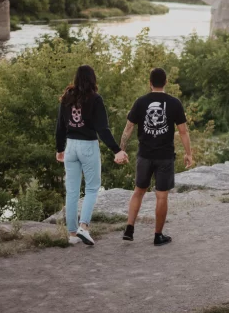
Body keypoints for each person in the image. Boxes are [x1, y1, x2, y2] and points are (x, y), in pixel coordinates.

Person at [117, 67, 193, 244]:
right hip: (165, 156)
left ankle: (129, 228)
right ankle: (158, 235)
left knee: (138, 191)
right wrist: (188, 153)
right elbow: (183, 131)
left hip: (144, 155)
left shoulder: (140, 102)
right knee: (162, 195)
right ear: (165, 82)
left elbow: (128, 128)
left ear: (149, 83)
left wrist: (122, 149)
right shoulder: (174, 103)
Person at [55, 65, 123, 246]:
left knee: (72, 191)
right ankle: (83, 226)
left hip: (70, 147)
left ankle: (72, 234)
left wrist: (59, 149)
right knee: (92, 188)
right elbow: (102, 129)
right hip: (88, 146)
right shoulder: (95, 99)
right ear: (93, 79)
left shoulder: (67, 97)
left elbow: (60, 126)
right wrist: (117, 150)